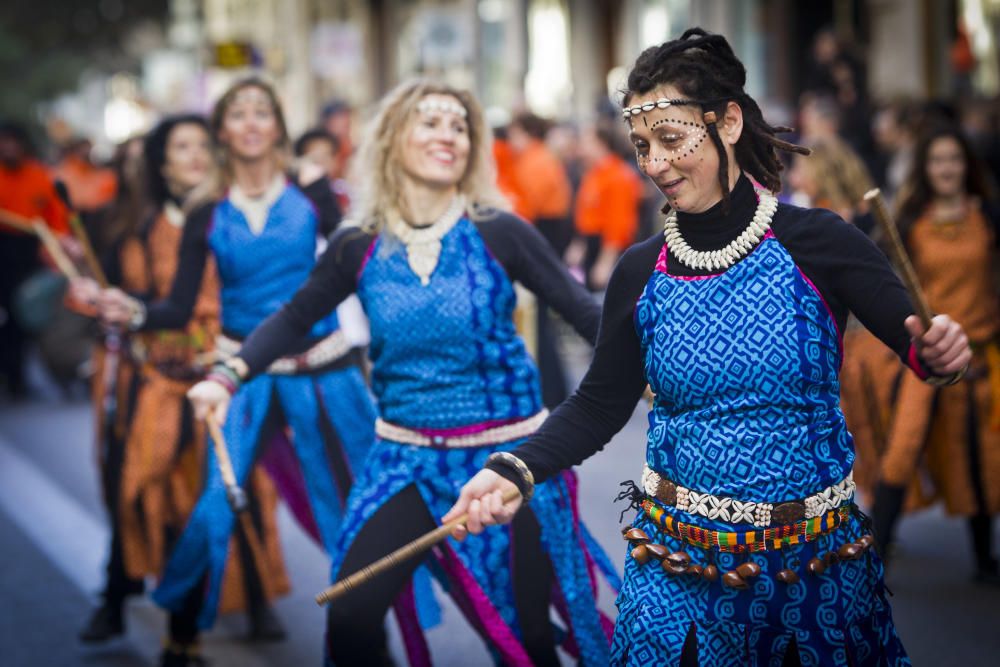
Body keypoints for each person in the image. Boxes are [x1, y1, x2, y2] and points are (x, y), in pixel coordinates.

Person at [448, 29, 972, 666]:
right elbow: (598, 404)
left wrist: (940, 357)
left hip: (812, 565)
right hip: (676, 568)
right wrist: (513, 469)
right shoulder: (641, 273)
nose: (656, 164)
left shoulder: (817, 241)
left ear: (726, 123)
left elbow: (918, 344)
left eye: (672, 140)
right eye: (642, 146)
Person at [186, 78, 617, 666]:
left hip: (507, 463)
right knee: (352, 616)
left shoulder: (499, 230)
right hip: (405, 461)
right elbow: (293, 317)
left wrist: (653, 367)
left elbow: (587, 314)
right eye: (431, 123)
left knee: (525, 636)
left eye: (460, 126)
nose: (449, 136)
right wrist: (227, 375)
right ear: (393, 140)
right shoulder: (355, 245)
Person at [92, 79, 376, 667]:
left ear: (276, 125)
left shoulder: (313, 192)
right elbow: (175, 305)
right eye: (238, 114)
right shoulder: (205, 209)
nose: (250, 123)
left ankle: (368, 645)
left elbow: (360, 271)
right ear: (222, 129)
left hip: (322, 369)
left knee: (360, 506)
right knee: (215, 504)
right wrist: (136, 310)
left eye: (262, 113)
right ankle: (182, 638)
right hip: (241, 374)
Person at [72, 115, 292, 645]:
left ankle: (256, 598)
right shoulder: (133, 223)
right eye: (180, 147)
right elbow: (110, 293)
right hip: (152, 380)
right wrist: (103, 301)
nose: (194, 156)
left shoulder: (235, 215)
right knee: (140, 486)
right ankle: (128, 599)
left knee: (241, 487)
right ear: (161, 160)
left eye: (202, 145)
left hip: (229, 374)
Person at [861, 125, 1000, 583]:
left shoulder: (989, 218)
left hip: (980, 354)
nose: (947, 168)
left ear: (967, 166)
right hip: (929, 356)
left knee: (981, 453)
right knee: (901, 450)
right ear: (926, 167)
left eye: (955, 159)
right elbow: (877, 278)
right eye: (938, 160)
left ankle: (984, 559)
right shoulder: (909, 223)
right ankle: (874, 558)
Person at [0, 121, 70, 398]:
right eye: (4, 142)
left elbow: (56, 220)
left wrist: (58, 243)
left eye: (13, 141)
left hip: (28, 251)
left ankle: (18, 378)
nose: (9, 148)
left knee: (24, 314)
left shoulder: (39, 175)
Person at [567, 122, 643, 290]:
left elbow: (619, 222)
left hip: (609, 249)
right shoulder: (593, 173)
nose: (581, 148)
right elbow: (587, 213)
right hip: (592, 244)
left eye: (586, 141)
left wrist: (606, 262)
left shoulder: (618, 175)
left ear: (601, 143)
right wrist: (580, 244)